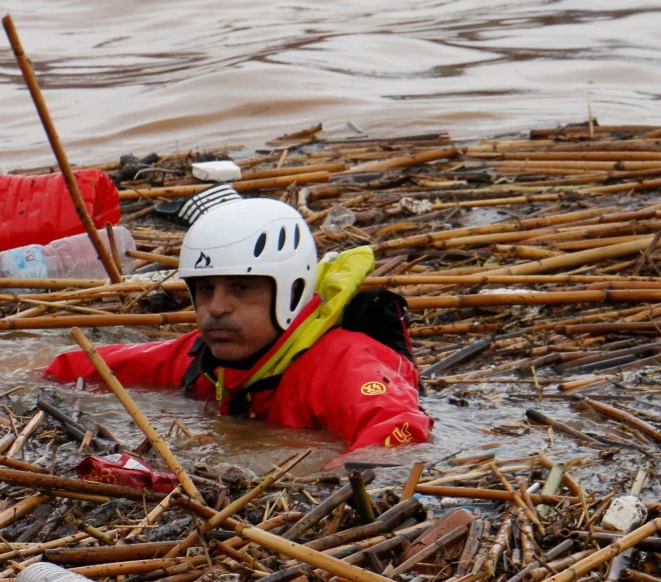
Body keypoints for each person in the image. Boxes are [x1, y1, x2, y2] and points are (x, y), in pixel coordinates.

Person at [44, 197, 431, 459]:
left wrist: (336, 478)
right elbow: (88, 365)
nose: (216, 308)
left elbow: (401, 432)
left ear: (291, 289)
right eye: (206, 289)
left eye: (241, 288)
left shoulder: (348, 362)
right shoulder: (203, 357)